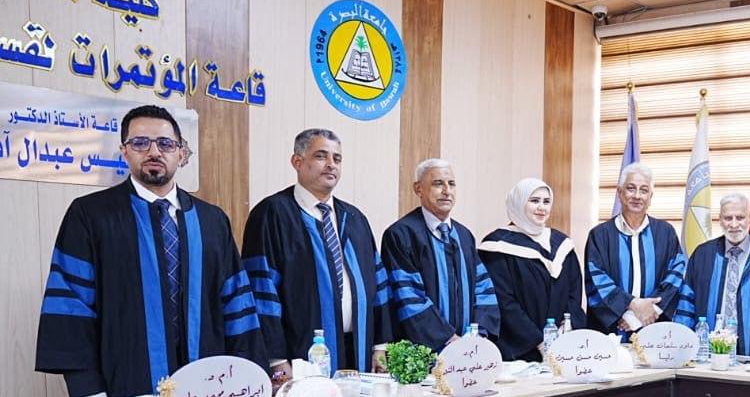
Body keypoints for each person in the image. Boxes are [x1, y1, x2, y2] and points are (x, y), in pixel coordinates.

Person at [35, 104, 266, 397]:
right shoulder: (91, 215)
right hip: (123, 386)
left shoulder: (212, 220)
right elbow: (72, 303)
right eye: (140, 143)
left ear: (181, 153)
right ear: (124, 151)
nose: (154, 152)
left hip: (209, 390)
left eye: (166, 144)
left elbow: (236, 304)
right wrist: (88, 391)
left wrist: (245, 378)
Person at [242, 128, 393, 374]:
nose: (331, 164)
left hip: (358, 348)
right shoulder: (271, 214)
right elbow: (261, 291)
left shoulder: (355, 219)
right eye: (321, 156)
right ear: (297, 162)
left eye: (337, 158)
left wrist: (380, 345)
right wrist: (275, 359)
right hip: (299, 351)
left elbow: (377, 286)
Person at [381, 159, 499, 351]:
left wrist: (478, 335)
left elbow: (483, 288)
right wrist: (449, 339)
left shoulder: (464, 236)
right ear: (418, 189)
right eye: (438, 183)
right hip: (423, 351)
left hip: (469, 350)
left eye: (451, 184)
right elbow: (408, 295)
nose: (447, 191)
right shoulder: (401, 235)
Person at [477, 178, 585, 361]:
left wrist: (566, 327)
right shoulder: (497, 246)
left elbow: (574, 293)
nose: (542, 207)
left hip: (562, 347)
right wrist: (539, 341)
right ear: (518, 203)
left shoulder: (562, 244)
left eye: (546, 201)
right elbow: (504, 301)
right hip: (519, 351)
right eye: (534, 201)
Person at [674, 192, 750, 356]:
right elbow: (686, 306)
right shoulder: (702, 255)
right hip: (706, 356)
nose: (734, 224)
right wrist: (683, 349)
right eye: (728, 218)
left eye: (740, 217)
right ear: (720, 219)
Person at [585, 162, 686, 335]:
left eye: (644, 190)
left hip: (654, 326)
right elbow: (596, 281)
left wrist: (647, 313)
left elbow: (675, 276)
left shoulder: (666, 233)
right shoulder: (599, 235)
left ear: (650, 196)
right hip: (614, 328)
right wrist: (630, 308)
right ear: (620, 193)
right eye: (631, 188)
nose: (637, 196)